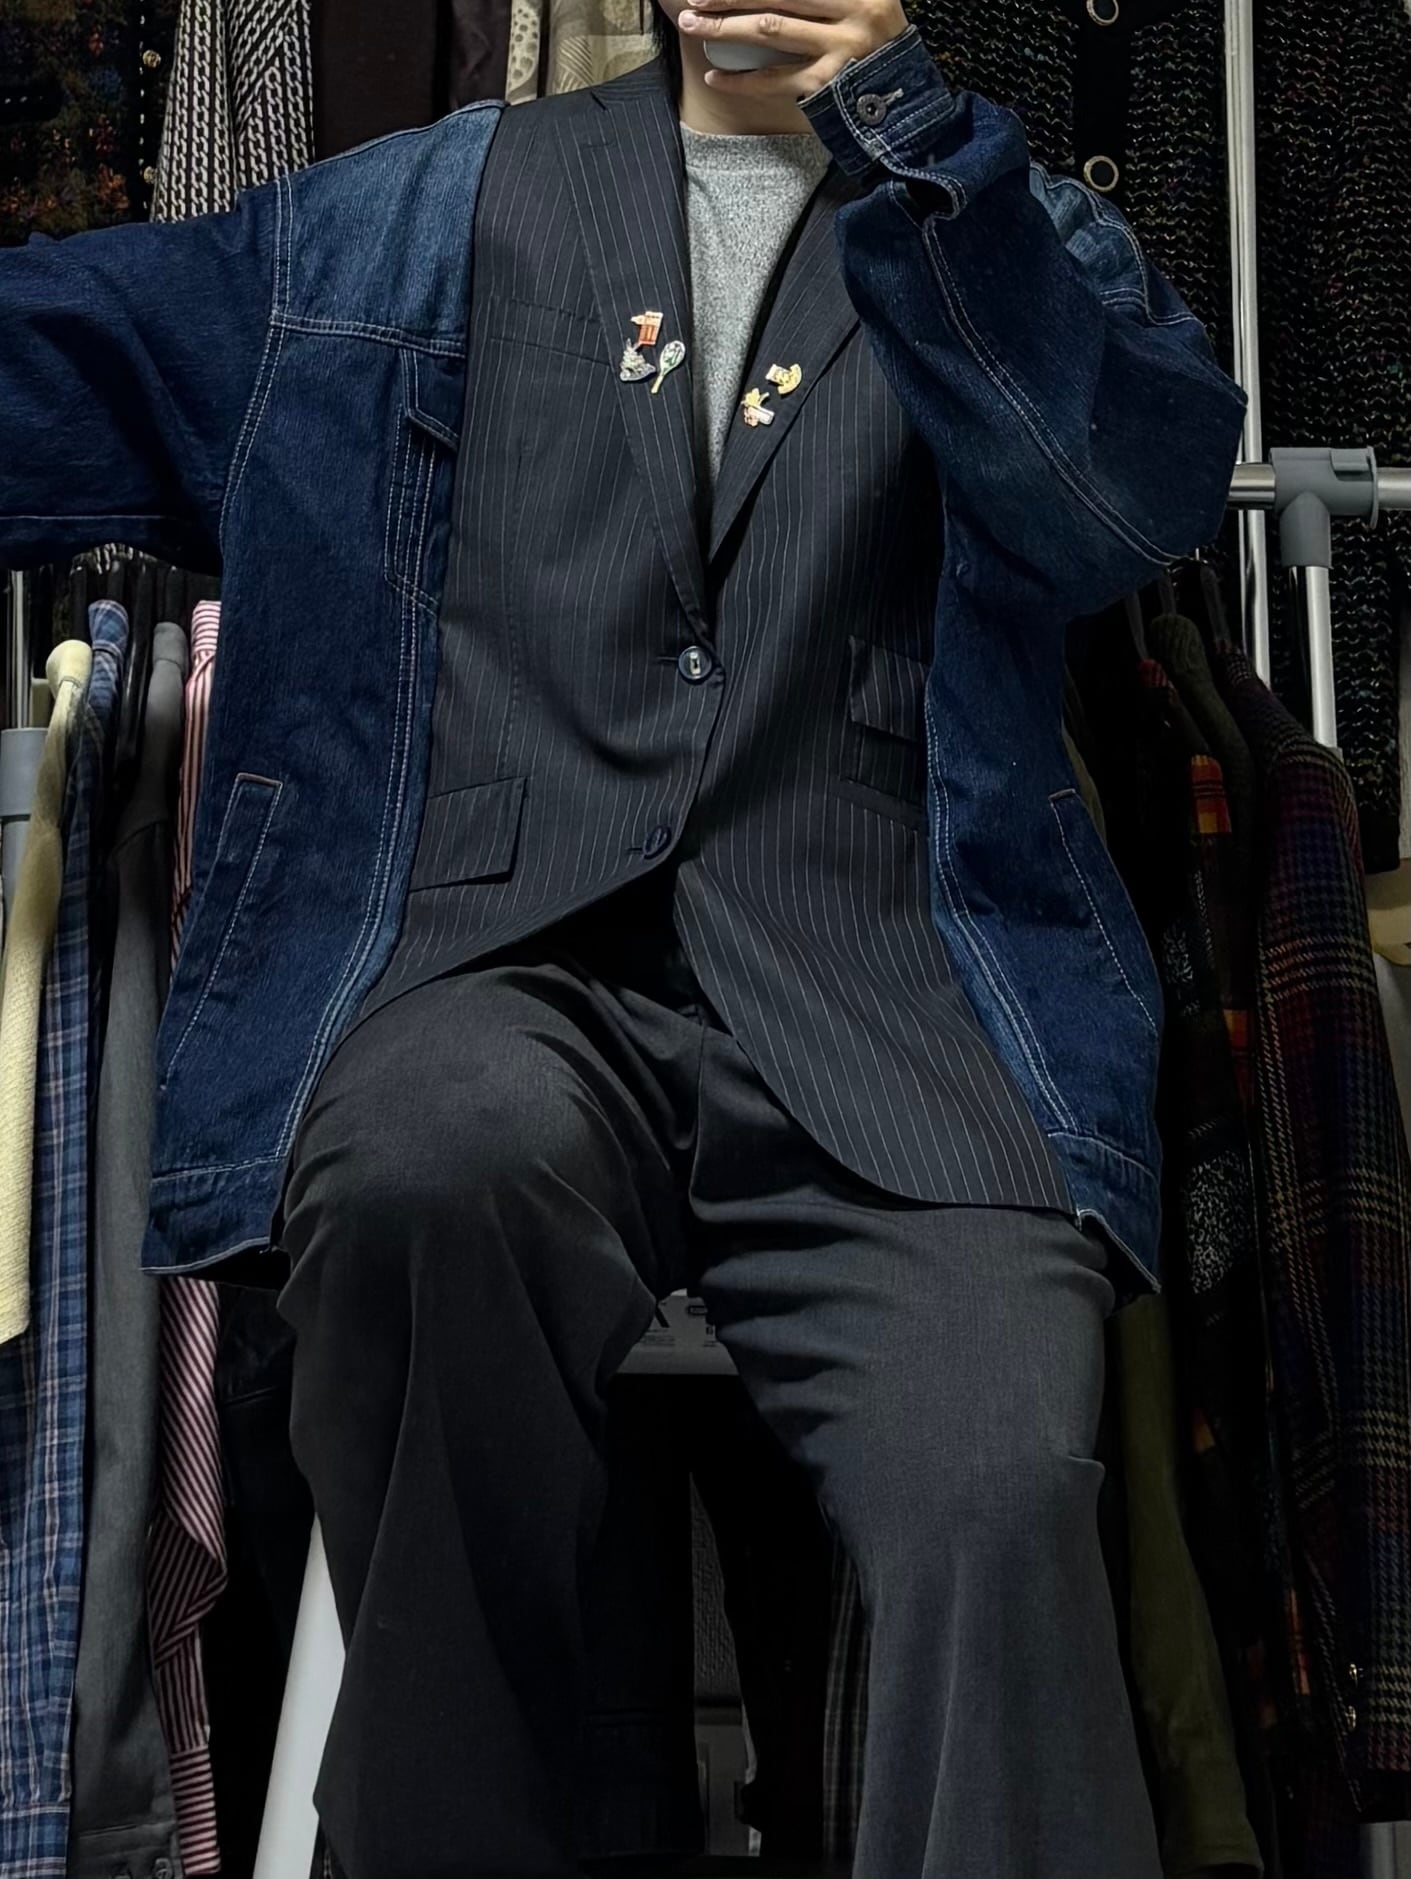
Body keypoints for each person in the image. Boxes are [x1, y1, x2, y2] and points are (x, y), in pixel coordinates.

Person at [0, 0, 1245, 1872]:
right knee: (426, 1167)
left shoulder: (1008, 226)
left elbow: (1120, 508)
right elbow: (50, 363)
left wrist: (901, 133)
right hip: (502, 968)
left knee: (996, 1479)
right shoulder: (400, 223)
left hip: (897, 997)